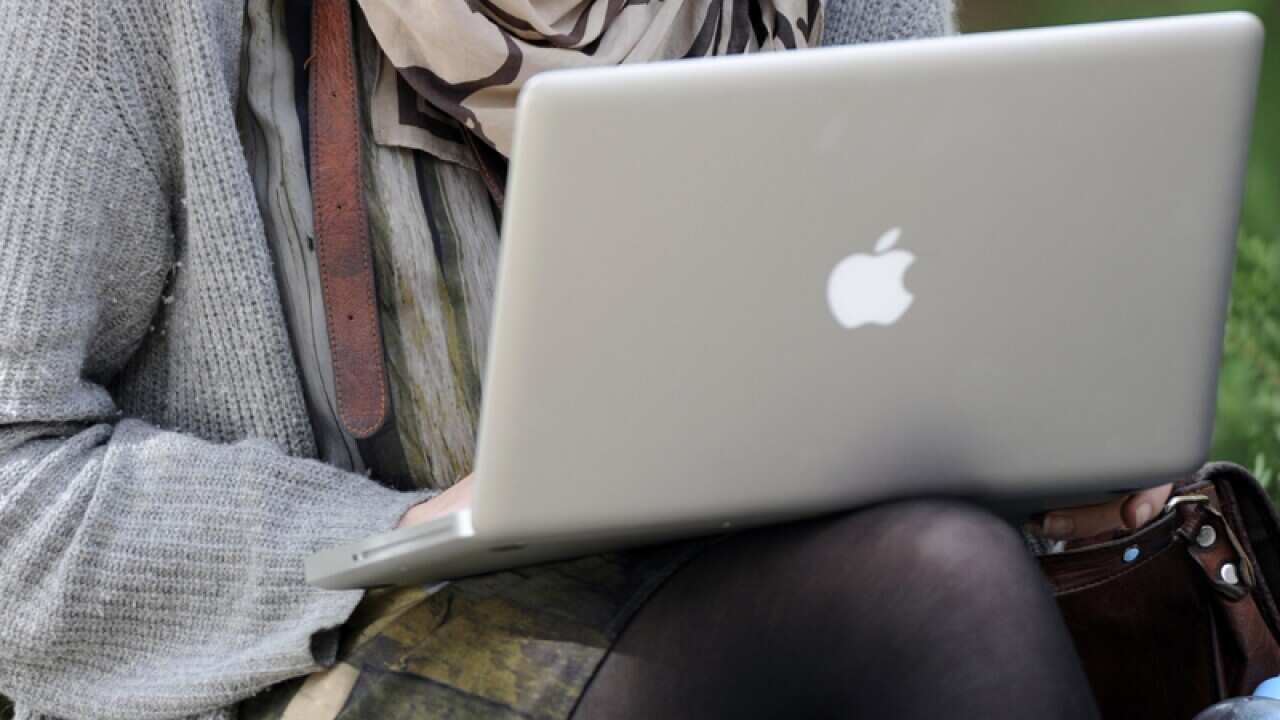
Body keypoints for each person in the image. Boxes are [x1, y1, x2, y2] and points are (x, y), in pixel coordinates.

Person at [0, 0, 1169, 718]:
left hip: (775, 592)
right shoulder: (107, 17)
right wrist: (385, 541)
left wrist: (1036, 446)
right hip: (298, 667)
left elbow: (905, 312)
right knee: (931, 593)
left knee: (940, 569)